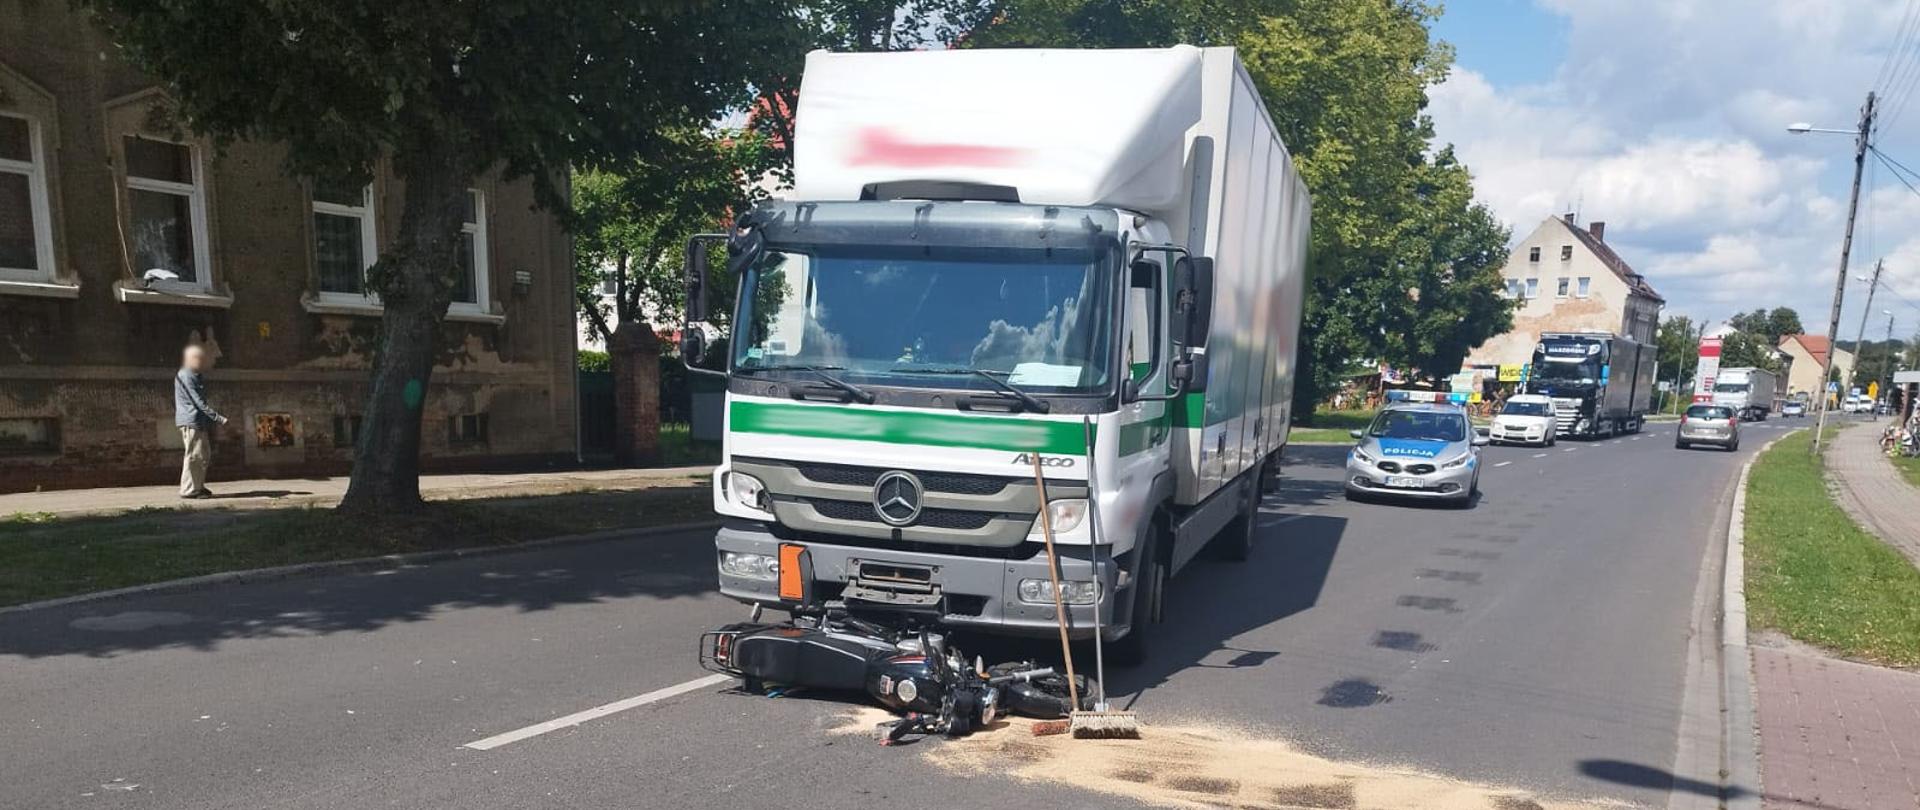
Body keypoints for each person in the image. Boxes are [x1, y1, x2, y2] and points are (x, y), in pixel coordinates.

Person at [174, 345, 228, 499]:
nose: (210, 364)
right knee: (194, 455)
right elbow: (197, 401)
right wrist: (219, 418)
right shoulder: (186, 375)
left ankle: (198, 486)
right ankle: (188, 490)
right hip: (191, 420)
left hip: (198, 420)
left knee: (203, 454)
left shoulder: (194, 375)